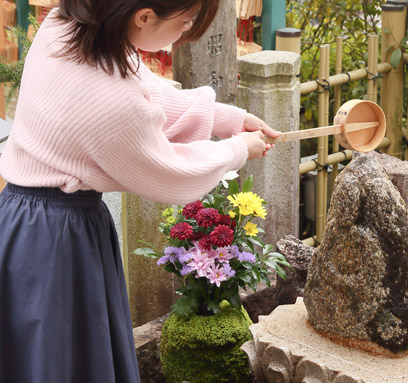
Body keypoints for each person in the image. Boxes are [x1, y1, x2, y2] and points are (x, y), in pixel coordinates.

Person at [0, 0, 280, 382]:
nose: (185, 31)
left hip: (19, 219)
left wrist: (228, 119)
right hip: (60, 239)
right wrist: (236, 150)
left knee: (33, 357)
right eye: (184, 23)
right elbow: (168, 170)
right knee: (64, 361)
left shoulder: (67, 28)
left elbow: (140, 86)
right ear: (144, 16)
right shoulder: (110, 100)